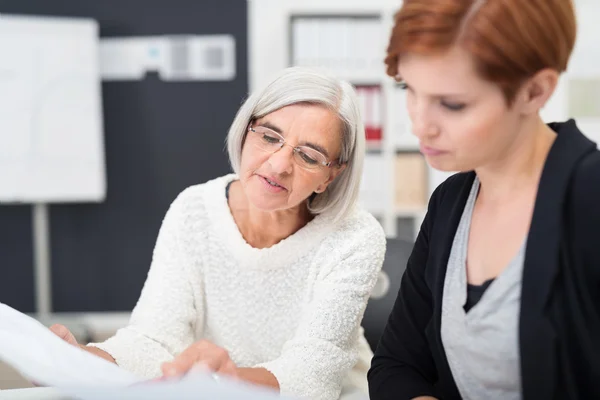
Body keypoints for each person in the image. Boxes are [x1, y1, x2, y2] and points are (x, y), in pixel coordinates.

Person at [51, 67, 386, 400]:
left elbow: (312, 379)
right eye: (269, 137)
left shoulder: (355, 236)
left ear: (331, 176)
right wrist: (81, 360)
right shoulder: (193, 210)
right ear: (246, 130)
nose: (278, 165)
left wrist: (223, 380)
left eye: (309, 156)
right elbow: (154, 341)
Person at [368, 0, 600, 399]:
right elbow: (395, 366)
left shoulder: (590, 199)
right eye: (409, 89)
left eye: (452, 104)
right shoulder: (450, 203)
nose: (419, 124)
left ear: (534, 91)